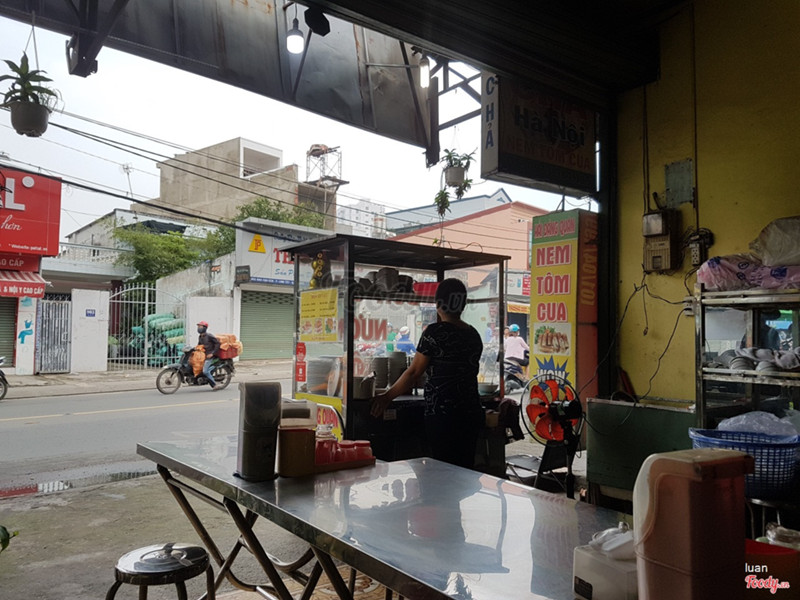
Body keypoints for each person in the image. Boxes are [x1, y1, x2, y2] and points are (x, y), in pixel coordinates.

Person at [370, 278, 484, 469]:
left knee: (442, 468)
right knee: (465, 469)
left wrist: (387, 397)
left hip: (444, 416)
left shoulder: (434, 333)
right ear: (463, 305)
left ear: (438, 304)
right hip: (470, 413)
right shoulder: (473, 334)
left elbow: (414, 372)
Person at [197, 320, 221, 390]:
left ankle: (214, 385)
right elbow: (199, 345)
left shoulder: (209, 336)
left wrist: (212, 353)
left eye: (200, 326)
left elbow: (217, 343)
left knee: (205, 371)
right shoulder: (200, 337)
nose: (199, 328)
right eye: (198, 327)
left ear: (204, 328)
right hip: (203, 355)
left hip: (210, 356)